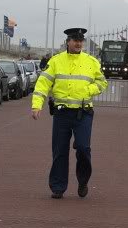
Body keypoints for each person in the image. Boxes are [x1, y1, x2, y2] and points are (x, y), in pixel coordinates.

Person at [31, 28, 108, 200]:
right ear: (68, 42)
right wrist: (37, 105)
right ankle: (58, 187)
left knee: (83, 148)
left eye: (81, 41)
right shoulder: (56, 61)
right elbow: (43, 83)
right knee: (59, 151)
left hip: (83, 113)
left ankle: (83, 181)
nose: (78, 43)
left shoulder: (91, 61)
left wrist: (89, 90)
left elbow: (102, 83)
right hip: (62, 113)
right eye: (75, 40)